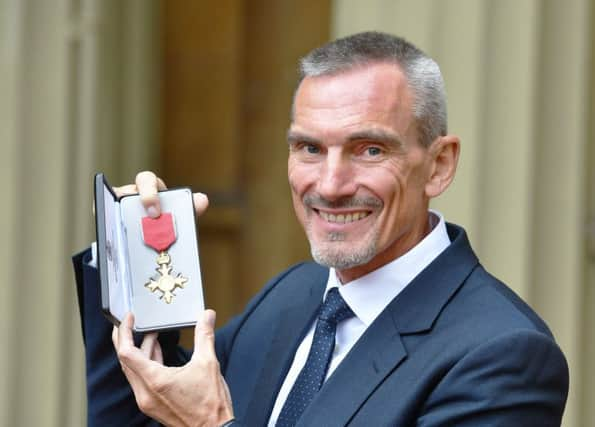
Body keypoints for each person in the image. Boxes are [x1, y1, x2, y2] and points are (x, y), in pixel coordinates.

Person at [74, 31, 569, 426]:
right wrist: (130, 257)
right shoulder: (293, 294)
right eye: (310, 148)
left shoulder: (503, 355)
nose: (330, 185)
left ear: (439, 165)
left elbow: (198, 417)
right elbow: (153, 415)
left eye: (369, 150)